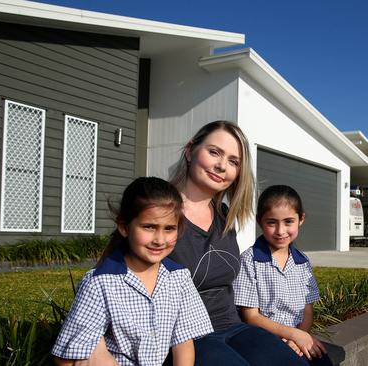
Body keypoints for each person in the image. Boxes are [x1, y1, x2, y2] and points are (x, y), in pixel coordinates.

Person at [167, 121, 308, 366]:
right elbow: (107, 276)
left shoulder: (224, 217)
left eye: (233, 161)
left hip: (234, 328)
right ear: (190, 151)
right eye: (214, 152)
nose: (222, 166)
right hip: (186, 336)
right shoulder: (157, 210)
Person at [52, 177, 213, 366]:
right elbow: (66, 358)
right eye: (149, 227)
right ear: (124, 227)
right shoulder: (100, 282)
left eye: (169, 228)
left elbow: (183, 341)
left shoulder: (180, 277)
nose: (160, 240)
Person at [233, 185, 333, 366]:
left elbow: (307, 310)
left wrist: (299, 338)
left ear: (301, 219)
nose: (280, 231)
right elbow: (251, 317)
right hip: (264, 338)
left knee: (323, 361)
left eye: (288, 222)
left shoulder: (302, 262)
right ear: (259, 221)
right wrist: (292, 335)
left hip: (299, 336)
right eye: (272, 222)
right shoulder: (249, 261)